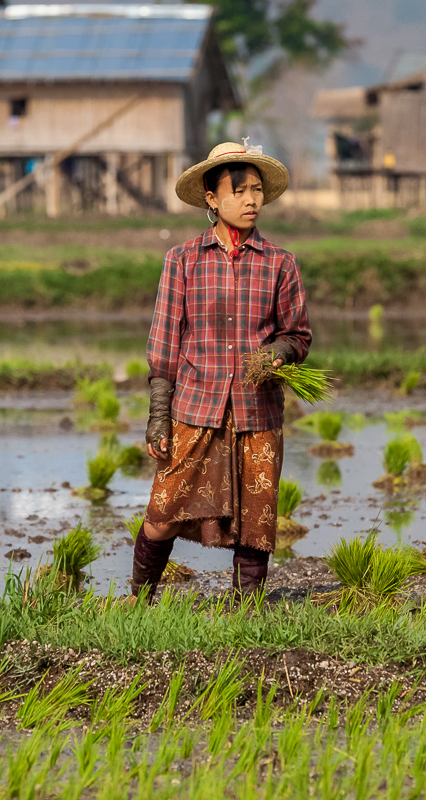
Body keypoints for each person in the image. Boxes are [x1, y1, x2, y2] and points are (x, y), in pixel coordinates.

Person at [130, 141, 312, 603]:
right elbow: (164, 344)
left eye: (257, 191)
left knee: (257, 519)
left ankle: (246, 613)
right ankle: (138, 601)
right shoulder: (183, 260)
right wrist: (157, 416)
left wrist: (278, 352)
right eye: (240, 191)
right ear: (212, 198)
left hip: (257, 412)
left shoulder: (280, 263)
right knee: (164, 509)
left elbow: (298, 336)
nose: (252, 200)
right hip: (196, 407)